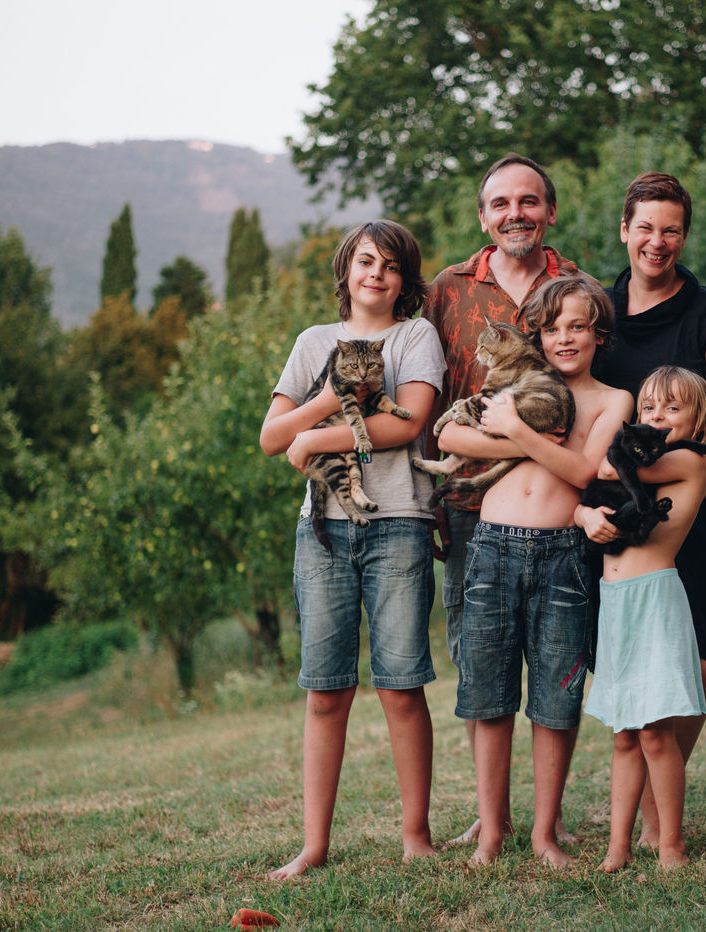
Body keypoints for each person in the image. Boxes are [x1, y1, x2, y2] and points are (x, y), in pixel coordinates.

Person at [258, 220, 446, 879]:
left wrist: (313, 440)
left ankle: (416, 834)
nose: (377, 274)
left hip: (398, 522)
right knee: (325, 691)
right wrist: (322, 407)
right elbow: (272, 437)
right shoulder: (314, 342)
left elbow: (405, 423)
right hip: (324, 532)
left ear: (405, 279)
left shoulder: (415, 337)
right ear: (346, 270)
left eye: (390, 265)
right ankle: (313, 845)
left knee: (401, 686)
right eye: (366, 261)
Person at [436, 275, 634, 867]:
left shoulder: (614, 400)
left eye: (578, 327)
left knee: (555, 697)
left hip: (563, 554)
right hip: (492, 547)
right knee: (488, 695)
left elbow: (583, 471)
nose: (564, 339)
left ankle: (545, 834)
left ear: (599, 334)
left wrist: (517, 431)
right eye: (552, 329)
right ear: (536, 338)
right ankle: (491, 832)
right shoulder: (512, 382)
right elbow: (449, 432)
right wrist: (524, 439)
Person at [423, 153, 582, 845]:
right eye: (501, 204)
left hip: (555, 508)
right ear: (484, 217)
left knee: (554, 663)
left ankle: (547, 818)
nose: (516, 213)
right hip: (467, 508)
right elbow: (426, 390)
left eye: (529, 201)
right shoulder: (447, 290)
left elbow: (585, 397)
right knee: (480, 663)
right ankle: (493, 818)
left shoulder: (577, 287)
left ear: (550, 211)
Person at [590, 171, 706, 849]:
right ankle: (649, 819)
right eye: (646, 227)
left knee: (701, 662)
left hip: (693, 505)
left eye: (672, 230)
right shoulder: (599, 310)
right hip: (615, 510)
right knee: (632, 669)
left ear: (684, 237)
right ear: (625, 230)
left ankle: (662, 813)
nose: (658, 242)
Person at [578, 366, 706, 871]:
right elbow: (590, 497)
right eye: (648, 407)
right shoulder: (648, 463)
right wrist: (583, 515)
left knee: (655, 734)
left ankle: (670, 844)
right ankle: (617, 847)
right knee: (624, 734)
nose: (656, 416)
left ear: (698, 421)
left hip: (654, 601)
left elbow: (602, 470)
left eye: (672, 408)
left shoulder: (691, 461)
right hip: (615, 601)